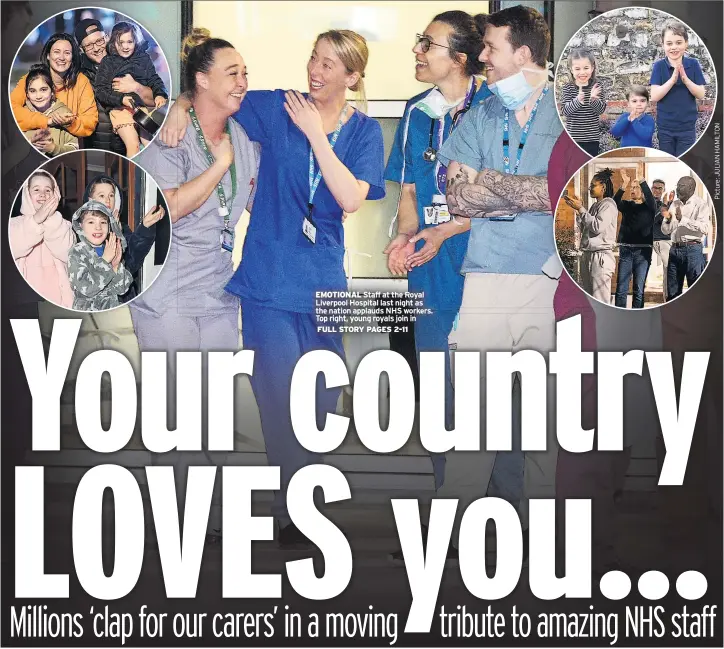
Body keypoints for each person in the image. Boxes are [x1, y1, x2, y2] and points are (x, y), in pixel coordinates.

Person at [161, 28, 386, 546]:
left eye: (330, 65)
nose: (315, 70)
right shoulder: (277, 106)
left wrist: (314, 135)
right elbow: (214, 98)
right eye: (314, 58)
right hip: (266, 284)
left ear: (352, 77)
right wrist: (177, 105)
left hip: (326, 284)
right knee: (280, 397)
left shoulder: (364, 133)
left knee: (320, 406)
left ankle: (303, 498)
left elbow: (351, 197)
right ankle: (296, 515)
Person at [433, 5, 562, 559]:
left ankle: (547, 537)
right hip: (484, 279)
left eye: (491, 47)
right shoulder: (481, 114)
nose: (481, 56)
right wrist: (534, 191)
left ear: (524, 54)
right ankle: (455, 539)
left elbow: (573, 192)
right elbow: (458, 196)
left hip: (550, 280)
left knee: (545, 425)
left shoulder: (571, 114)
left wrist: (496, 187)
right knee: (475, 424)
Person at [131, 31, 259, 541]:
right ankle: (173, 521)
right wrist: (220, 166)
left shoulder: (242, 138)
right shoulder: (171, 133)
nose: (244, 82)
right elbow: (165, 208)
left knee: (214, 410)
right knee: (175, 410)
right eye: (233, 73)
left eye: (245, 73)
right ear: (201, 80)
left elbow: (250, 202)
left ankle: (213, 516)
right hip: (167, 289)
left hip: (218, 289)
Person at [383, 11, 491, 496]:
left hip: (484, 261)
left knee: (489, 395)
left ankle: (503, 512)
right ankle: (451, 505)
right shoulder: (416, 110)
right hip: (430, 268)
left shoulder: (494, 106)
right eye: (420, 41)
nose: (417, 51)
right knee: (439, 394)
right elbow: (408, 190)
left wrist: (445, 232)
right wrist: (405, 239)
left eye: (429, 44)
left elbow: (509, 195)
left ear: (461, 59)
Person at [74, 17, 155, 154]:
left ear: (106, 37)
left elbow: (153, 100)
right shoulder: (78, 72)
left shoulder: (126, 58)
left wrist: (136, 86)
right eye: (88, 45)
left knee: (152, 145)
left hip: (130, 142)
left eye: (99, 41)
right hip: (98, 150)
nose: (96, 48)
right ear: (81, 49)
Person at [83, 175, 165, 303]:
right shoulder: (80, 231)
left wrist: (144, 227)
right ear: (90, 200)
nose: (108, 201)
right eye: (101, 196)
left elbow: (132, 263)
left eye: (111, 195)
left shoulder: (122, 227)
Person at [95, 21, 168, 156]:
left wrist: (160, 94)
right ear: (113, 42)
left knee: (150, 144)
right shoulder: (108, 61)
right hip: (120, 109)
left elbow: (154, 78)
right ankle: (132, 174)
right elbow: (100, 90)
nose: (125, 46)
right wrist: (121, 99)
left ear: (136, 41)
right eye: (120, 42)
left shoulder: (143, 59)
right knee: (133, 145)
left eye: (129, 42)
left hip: (140, 108)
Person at [10, 33, 98, 141]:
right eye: (56, 52)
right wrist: (47, 120)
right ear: (48, 55)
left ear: (73, 58)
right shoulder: (32, 78)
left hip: (68, 149)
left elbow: (90, 122)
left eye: (67, 53)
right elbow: (11, 110)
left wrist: (70, 123)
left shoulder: (81, 81)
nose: (61, 58)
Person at [9, 170, 74, 308]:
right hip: (25, 300)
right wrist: (36, 220)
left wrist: (51, 221)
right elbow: (14, 246)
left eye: (48, 190)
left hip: (59, 300)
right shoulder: (13, 224)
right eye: (36, 189)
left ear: (55, 195)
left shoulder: (64, 225)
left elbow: (69, 254)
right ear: (27, 194)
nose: (43, 194)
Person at [650, 21, 706, 156]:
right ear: (663, 45)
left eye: (678, 42)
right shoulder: (659, 66)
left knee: (686, 162)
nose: (674, 47)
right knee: (668, 162)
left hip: (687, 128)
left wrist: (685, 79)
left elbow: (701, 94)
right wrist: (672, 80)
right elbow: (654, 96)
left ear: (686, 43)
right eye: (669, 43)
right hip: (665, 128)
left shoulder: (693, 64)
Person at [563, 168, 618, 304]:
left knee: (600, 300)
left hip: (600, 258)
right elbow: (587, 229)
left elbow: (597, 227)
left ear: (603, 187)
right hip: (589, 255)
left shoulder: (608, 205)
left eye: (593, 185)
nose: (590, 188)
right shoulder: (595, 206)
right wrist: (579, 210)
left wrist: (581, 209)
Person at [67, 199, 132, 311]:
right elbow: (87, 288)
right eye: (91, 222)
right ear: (81, 225)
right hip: (88, 314)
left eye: (103, 222)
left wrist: (116, 266)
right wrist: (105, 260)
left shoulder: (111, 248)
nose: (98, 227)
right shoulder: (77, 252)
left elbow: (122, 289)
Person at [660, 175, 710, 300]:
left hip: (692, 250)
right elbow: (665, 230)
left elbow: (705, 228)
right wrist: (668, 220)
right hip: (674, 250)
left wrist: (683, 219)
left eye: (681, 186)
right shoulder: (674, 204)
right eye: (677, 186)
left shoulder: (701, 204)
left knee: (695, 292)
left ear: (691, 188)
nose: (677, 189)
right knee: (672, 292)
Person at [613, 170, 656, 308]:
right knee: (621, 289)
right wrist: (624, 184)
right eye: (631, 188)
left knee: (638, 289)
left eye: (636, 187)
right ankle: (619, 318)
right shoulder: (626, 205)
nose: (633, 190)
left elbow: (650, 197)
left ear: (642, 190)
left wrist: (642, 181)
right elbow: (614, 203)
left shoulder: (649, 206)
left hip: (643, 252)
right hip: (626, 250)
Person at [21, 64, 79, 156]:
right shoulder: (20, 115)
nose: (38, 96)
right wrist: (29, 143)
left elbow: (74, 148)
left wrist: (53, 148)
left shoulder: (63, 113)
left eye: (43, 90)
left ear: (52, 91)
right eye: (32, 91)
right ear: (27, 94)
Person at [559, 48, 604, 156]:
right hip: (573, 139)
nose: (582, 72)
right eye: (577, 69)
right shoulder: (568, 88)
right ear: (571, 69)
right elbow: (565, 111)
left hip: (592, 140)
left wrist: (593, 100)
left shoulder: (597, 86)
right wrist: (578, 100)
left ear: (592, 68)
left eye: (586, 68)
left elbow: (601, 110)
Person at [651, 178, 674, 301]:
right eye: (655, 188)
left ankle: (669, 298)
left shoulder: (663, 204)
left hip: (669, 240)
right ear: (651, 189)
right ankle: (669, 298)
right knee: (669, 268)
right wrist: (666, 204)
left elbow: (669, 219)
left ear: (664, 190)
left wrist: (669, 203)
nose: (657, 190)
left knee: (669, 270)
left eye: (660, 188)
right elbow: (654, 219)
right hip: (659, 240)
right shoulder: (649, 202)